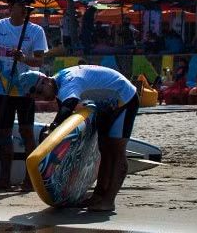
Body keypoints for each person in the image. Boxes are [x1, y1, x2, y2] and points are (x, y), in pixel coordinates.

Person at [29, 65, 138, 212]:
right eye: (37, 97)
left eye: (40, 92)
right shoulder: (60, 82)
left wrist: (52, 129)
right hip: (106, 104)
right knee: (104, 148)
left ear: (46, 80)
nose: (41, 97)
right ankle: (98, 195)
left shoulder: (69, 81)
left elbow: (68, 107)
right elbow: (65, 108)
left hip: (125, 99)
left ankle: (109, 201)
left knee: (116, 150)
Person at [0, 0, 49, 190]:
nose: (26, 9)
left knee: (27, 133)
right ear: (11, 7)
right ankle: (5, 178)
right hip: (3, 90)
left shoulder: (36, 31)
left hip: (26, 91)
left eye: (28, 5)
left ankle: (29, 180)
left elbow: (40, 60)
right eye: (21, 5)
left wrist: (24, 59)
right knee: (4, 134)